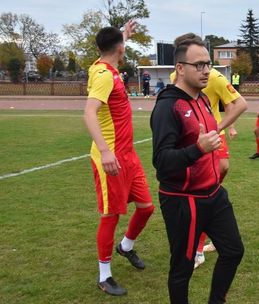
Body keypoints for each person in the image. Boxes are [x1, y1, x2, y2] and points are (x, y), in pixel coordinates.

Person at [150, 33, 244, 304]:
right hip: (183, 199)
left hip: (213, 194)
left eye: (208, 64)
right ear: (180, 68)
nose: (206, 71)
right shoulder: (168, 107)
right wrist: (198, 150)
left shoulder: (202, 99)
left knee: (233, 251)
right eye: (199, 65)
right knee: (182, 267)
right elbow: (162, 162)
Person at [83, 21, 154, 296]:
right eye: (123, 43)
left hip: (128, 154)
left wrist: (122, 34)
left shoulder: (103, 65)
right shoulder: (103, 75)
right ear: (121, 49)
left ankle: (125, 246)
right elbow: (89, 113)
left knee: (146, 207)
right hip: (110, 157)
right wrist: (104, 151)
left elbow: (110, 46)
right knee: (110, 214)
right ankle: (104, 276)